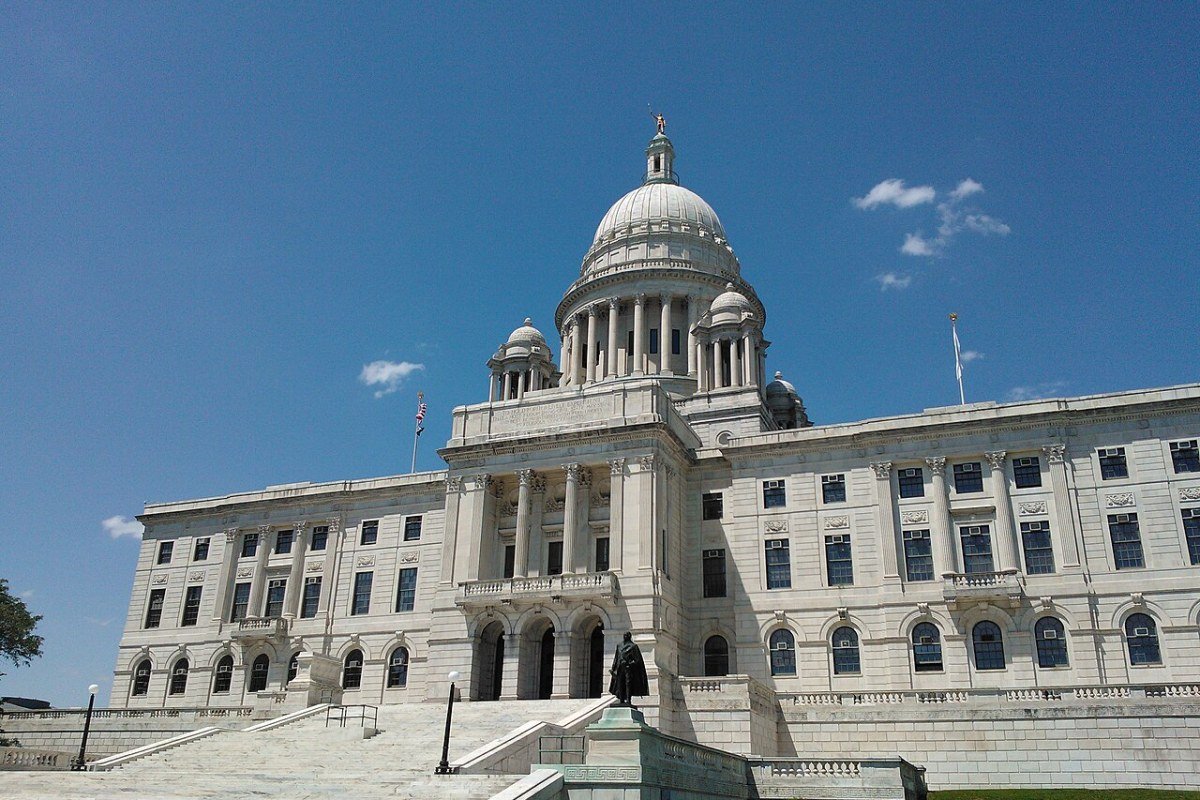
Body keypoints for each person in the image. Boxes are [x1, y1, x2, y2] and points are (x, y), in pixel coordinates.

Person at [608, 631, 649, 707]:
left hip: (628, 669)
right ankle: (621, 699)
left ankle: (628, 699)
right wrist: (613, 668)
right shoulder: (619, 646)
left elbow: (637, 660)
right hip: (620, 668)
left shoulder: (633, 646)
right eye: (624, 635)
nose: (624, 636)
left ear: (629, 636)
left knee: (628, 684)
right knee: (620, 683)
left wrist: (629, 663)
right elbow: (616, 658)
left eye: (626, 635)